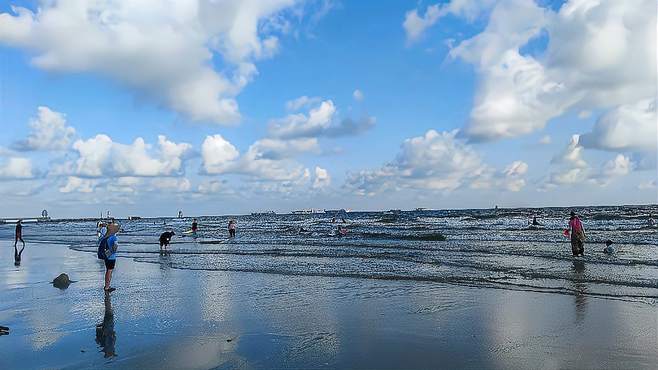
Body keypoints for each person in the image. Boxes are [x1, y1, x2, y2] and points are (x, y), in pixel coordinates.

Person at [98, 223, 119, 293]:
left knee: (108, 271)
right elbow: (115, 247)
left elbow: (99, 241)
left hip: (106, 256)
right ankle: (107, 287)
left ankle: (106, 286)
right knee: (109, 271)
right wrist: (111, 252)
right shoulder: (114, 237)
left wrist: (107, 253)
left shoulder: (105, 237)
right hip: (111, 257)